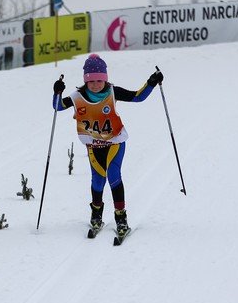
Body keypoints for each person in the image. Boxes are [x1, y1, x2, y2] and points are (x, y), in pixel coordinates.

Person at [52, 54, 163, 235]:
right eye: (91, 81)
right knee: (97, 181)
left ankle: (121, 217)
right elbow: (57, 106)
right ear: (85, 81)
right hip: (93, 146)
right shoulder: (77, 97)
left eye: (99, 80)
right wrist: (57, 92)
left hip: (115, 142)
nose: (95, 85)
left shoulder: (113, 92)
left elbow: (137, 97)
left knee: (113, 176)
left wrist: (151, 82)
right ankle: (96, 215)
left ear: (105, 79)